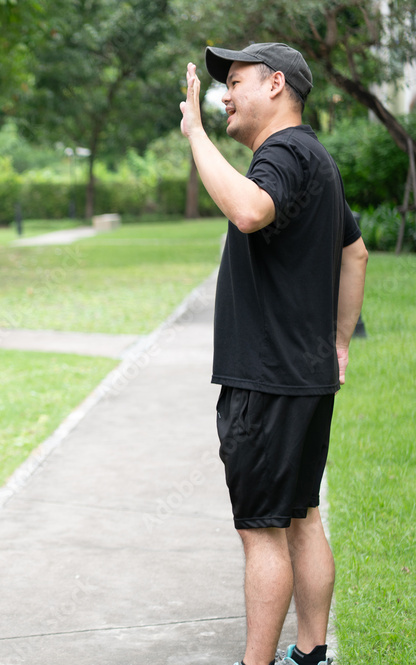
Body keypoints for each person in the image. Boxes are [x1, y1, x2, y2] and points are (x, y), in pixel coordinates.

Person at [179, 43, 368, 665]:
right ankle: (312, 654)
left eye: (235, 82)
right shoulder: (317, 159)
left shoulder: (281, 154)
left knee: (262, 531)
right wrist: (337, 343)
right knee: (302, 518)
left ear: (276, 84)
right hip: (304, 378)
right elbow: (356, 253)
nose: (224, 95)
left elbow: (248, 210)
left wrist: (196, 136)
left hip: (267, 381)